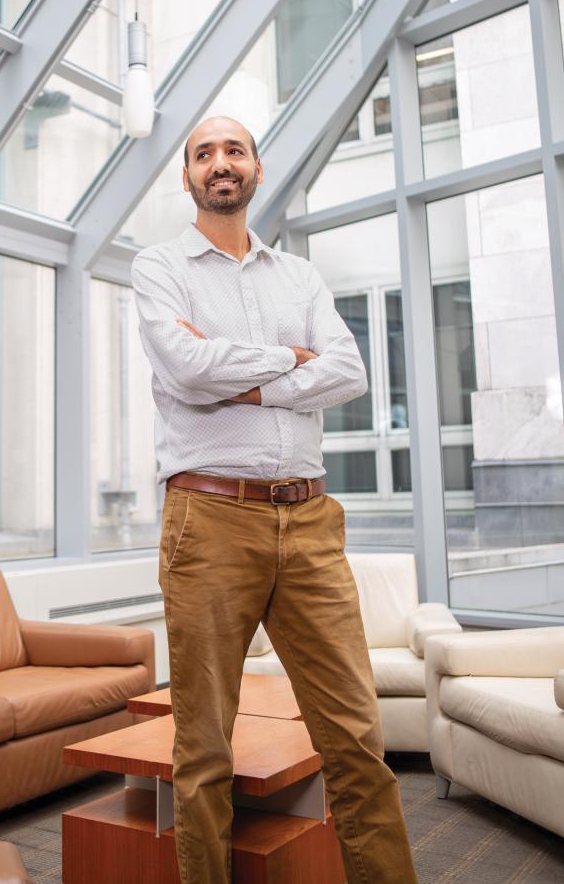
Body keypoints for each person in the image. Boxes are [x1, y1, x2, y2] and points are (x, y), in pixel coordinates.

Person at [131, 115, 418, 884]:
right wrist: (291, 363)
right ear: (187, 177)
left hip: (313, 520)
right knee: (203, 746)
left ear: (257, 168)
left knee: (356, 734)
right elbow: (187, 370)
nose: (219, 163)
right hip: (210, 519)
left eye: (234, 150)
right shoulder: (159, 268)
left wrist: (245, 381)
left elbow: (350, 370)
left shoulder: (300, 277)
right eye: (203, 154)